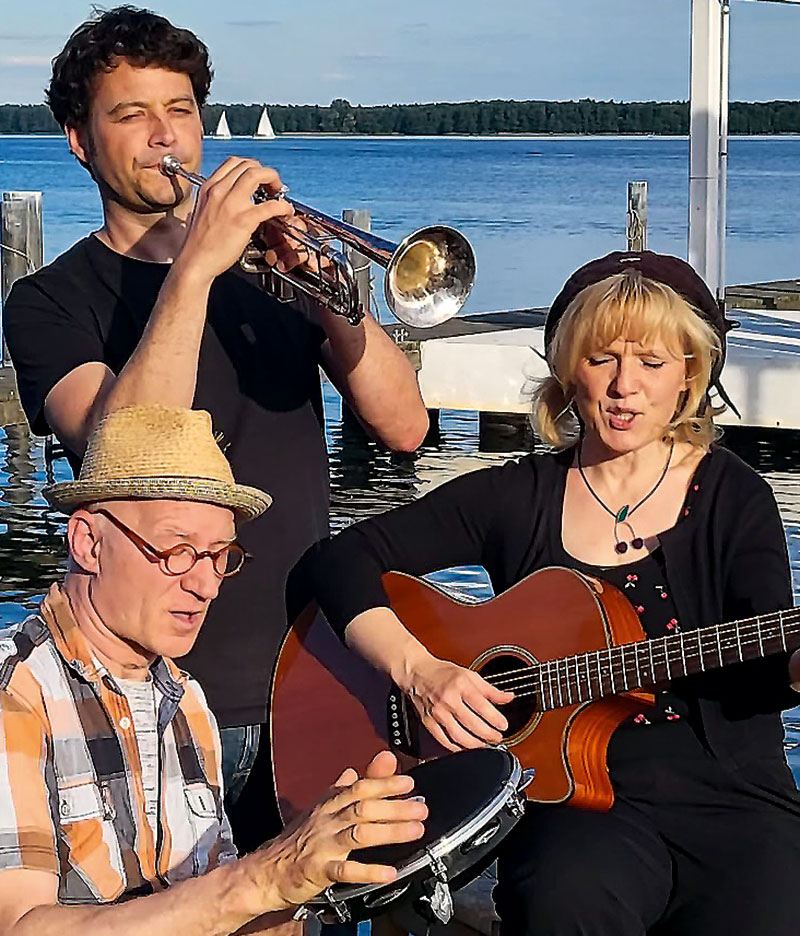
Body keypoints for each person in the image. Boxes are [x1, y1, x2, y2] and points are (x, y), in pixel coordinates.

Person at [1, 6, 428, 851]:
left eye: (182, 110)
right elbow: (118, 449)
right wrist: (197, 261)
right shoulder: (51, 300)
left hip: (311, 674)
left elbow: (405, 425)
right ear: (79, 141)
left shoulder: (272, 273)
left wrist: (332, 295)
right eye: (131, 115)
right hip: (150, 692)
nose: (167, 137)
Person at [309, 250, 800, 936]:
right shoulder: (521, 496)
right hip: (578, 804)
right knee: (565, 901)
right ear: (571, 369)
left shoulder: (734, 496)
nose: (625, 386)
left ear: (690, 373)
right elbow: (336, 561)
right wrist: (419, 673)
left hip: (732, 796)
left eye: (652, 364)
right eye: (604, 360)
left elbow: (768, 659)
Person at [0, 404, 427, 936]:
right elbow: (19, 927)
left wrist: (318, 869)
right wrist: (264, 878)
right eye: (178, 550)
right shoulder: (14, 694)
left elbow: (214, 903)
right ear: (88, 541)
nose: (206, 585)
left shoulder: (186, 698)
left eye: (219, 555)